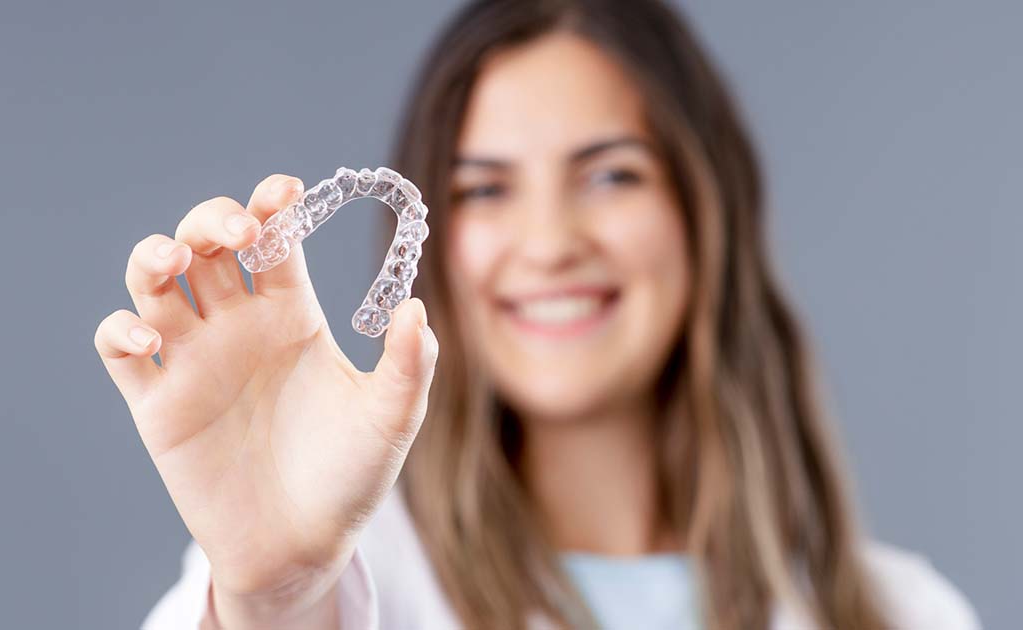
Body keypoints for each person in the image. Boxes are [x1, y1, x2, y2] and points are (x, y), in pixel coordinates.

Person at [94, 1, 980, 628]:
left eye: (610, 175)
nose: (549, 242)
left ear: (708, 211)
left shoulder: (909, 615)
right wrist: (277, 597)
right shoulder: (346, 589)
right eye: (485, 189)